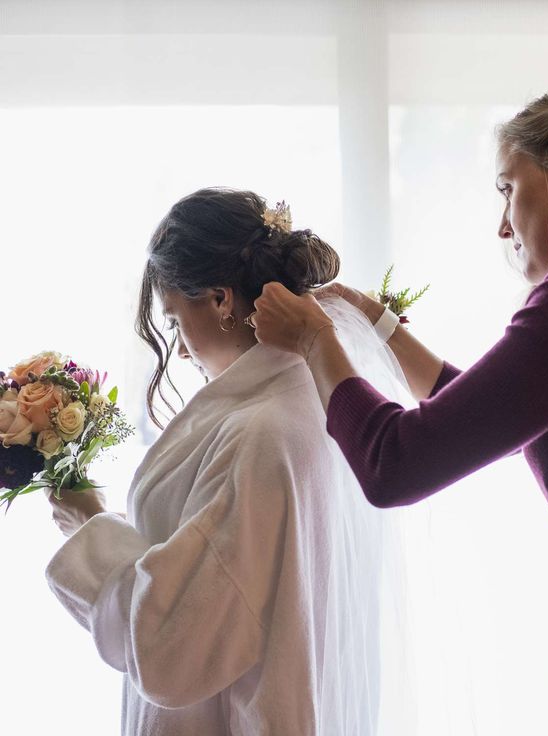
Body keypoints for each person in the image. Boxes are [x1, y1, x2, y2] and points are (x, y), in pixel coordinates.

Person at [250, 84, 548, 735]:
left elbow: (397, 463)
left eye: (507, 188)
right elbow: (488, 414)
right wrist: (380, 323)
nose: (502, 225)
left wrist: (315, 342)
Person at [45, 188, 409, 736]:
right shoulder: (312, 400)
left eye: (173, 321)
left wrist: (90, 524)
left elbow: (173, 645)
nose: (182, 350)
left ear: (220, 300)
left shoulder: (259, 434)